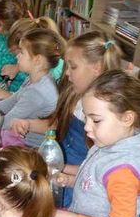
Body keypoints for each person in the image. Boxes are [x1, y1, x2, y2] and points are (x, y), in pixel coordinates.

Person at [54, 70, 140, 217]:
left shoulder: (123, 170)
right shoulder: (112, 143)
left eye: (96, 120)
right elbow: (94, 180)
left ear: (127, 118)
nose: (86, 127)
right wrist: (68, 179)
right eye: (87, 119)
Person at [10, 31, 123, 207]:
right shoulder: (74, 94)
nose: (67, 73)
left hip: (76, 184)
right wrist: (28, 124)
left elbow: (98, 170)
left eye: (73, 67)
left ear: (97, 68)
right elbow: (55, 124)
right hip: (58, 166)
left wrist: (57, 169)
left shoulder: (106, 115)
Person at [0, 28, 65, 148]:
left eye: (22, 52)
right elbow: (10, 102)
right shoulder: (33, 79)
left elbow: (6, 122)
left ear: (37, 60)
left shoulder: (37, 92)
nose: (17, 56)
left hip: (29, 148)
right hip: (18, 139)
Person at [0, 16, 63, 101]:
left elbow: (33, 102)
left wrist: (7, 95)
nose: (17, 57)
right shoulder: (40, 64)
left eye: (21, 52)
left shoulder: (49, 74)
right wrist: (17, 68)